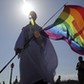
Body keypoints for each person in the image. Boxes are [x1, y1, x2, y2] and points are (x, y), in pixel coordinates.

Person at [14, 11, 58, 84]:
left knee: (39, 70)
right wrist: (19, 47)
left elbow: (43, 42)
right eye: (30, 16)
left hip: (37, 53)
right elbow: (21, 39)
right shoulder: (25, 28)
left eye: (33, 16)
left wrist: (38, 36)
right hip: (27, 53)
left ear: (35, 17)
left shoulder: (39, 28)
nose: (31, 17)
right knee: (26, 71)